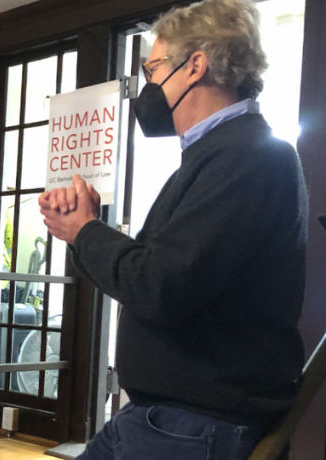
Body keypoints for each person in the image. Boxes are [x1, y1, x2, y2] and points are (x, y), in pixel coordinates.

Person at [39, 1, 307, 458]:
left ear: (195, 65)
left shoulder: (248, 157)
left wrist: (84, 230)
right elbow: (151, 272)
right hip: (161, 416)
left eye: (152, 68)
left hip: (196, 424)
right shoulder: (217, 155)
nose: (147, 86)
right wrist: (82, 229)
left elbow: (158, 286)